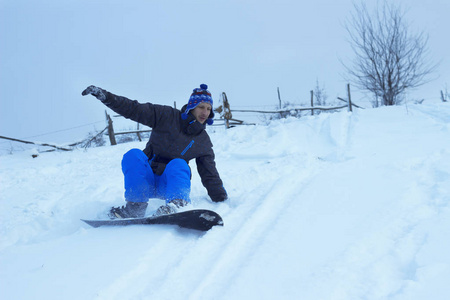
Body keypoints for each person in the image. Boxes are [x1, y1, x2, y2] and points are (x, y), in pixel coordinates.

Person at [82, 84, 227, 219]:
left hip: (170, 186)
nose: (205, 112)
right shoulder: (166, 116)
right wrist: (106, 97)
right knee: (133, 155)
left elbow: (209, 172)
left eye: (208, 109)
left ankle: (177, 206)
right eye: (201, 107)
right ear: (191, 107)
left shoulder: (202, 141)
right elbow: (134, 109)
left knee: (179, 164)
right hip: (145, 181)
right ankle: (135, 207)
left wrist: (220, 198)